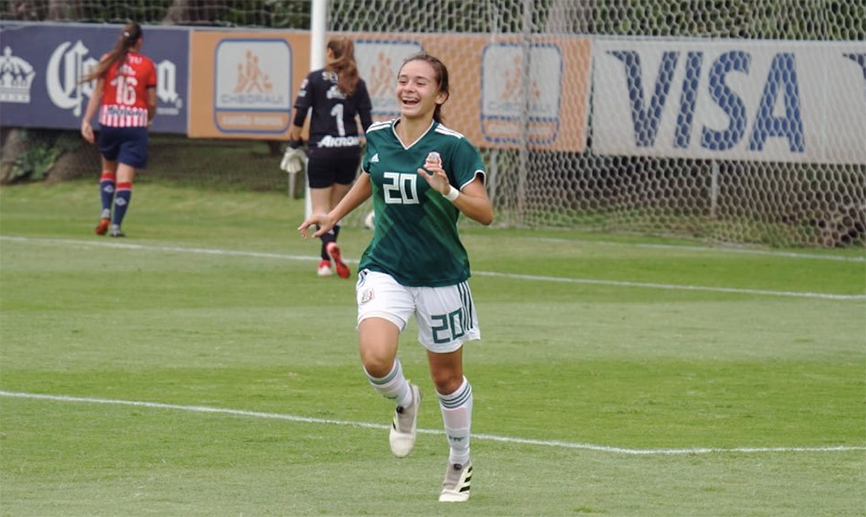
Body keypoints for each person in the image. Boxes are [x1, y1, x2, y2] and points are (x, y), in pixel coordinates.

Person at [298, 53, 494, 502]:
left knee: (447, 379)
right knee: (375, 358)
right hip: (385, 266)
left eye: (421, 82)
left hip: (441, 276)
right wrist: (334, 214)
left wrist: (449, 190)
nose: (409, 88)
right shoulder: (379, 136)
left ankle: (459, 461)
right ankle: (405, 400)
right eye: (404, 80)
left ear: (440, 95)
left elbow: (485, 212)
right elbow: (370, 176)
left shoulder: (454, 147)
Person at [282, 37, 373, 278]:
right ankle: (325, 260)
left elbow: (300, 115)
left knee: (321, 209)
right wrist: (374, 150)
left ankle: (329, 248)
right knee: (336, 209)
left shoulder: (314, 79)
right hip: (349, 150)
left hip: (322, 149)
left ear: (330, 52)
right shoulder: (357, 82)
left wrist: (293, 145)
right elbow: (367, 123)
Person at [80, 22, 157, 238]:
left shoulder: (108, 59)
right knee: (125, 177)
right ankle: (116, 226)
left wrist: (86, 121)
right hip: (134, 125)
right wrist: (148, 118)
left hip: (110, 122)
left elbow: (97, 93)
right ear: (139, 41)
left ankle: (105, 210)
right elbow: (151, 102)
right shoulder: (147, 65)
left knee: (108, 170)